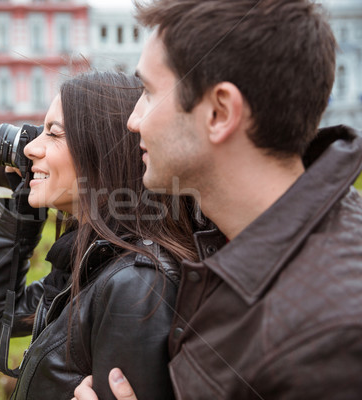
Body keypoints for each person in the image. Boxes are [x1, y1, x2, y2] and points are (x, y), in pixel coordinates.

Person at [73, 0, 362, 399]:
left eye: (148, 91)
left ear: (219, 112)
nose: (132, 120)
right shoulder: (229, 236)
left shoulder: (330, 337)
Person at [0, 70, 200, 399]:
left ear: (103, 152)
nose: (31, 148)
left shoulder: (136, 286)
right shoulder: (93, 257)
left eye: (53, 133)